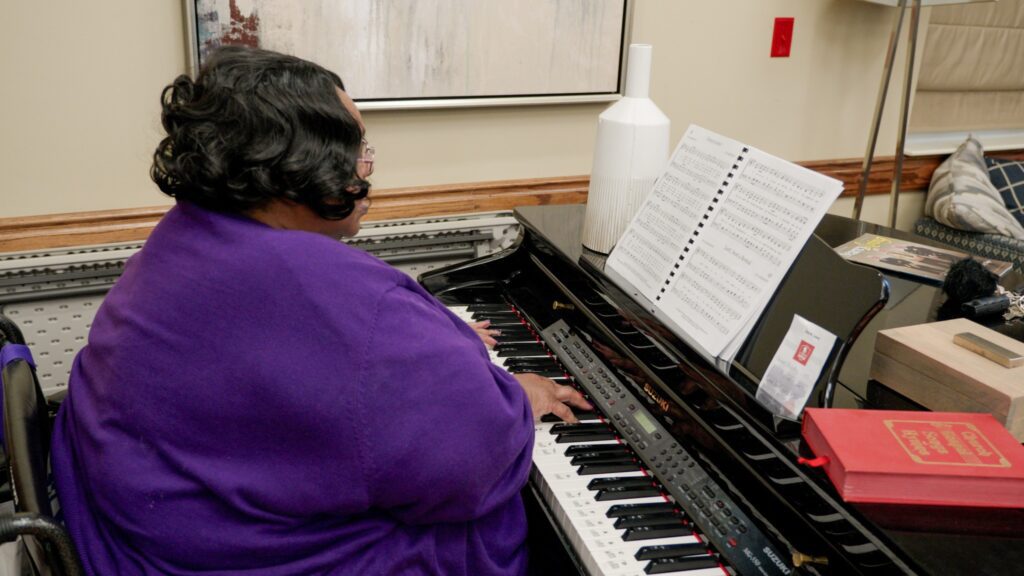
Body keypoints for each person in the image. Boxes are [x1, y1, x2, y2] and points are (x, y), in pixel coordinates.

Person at [51, 45, 589, 575]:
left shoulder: (182, 238)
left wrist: (432, 351)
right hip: (221, 558)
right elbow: (471, 463)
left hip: (140, 529)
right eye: (354, 148)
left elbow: (305, 362)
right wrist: (520, 395)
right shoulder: (339, 298)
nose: (365, 165)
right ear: (297, 162)